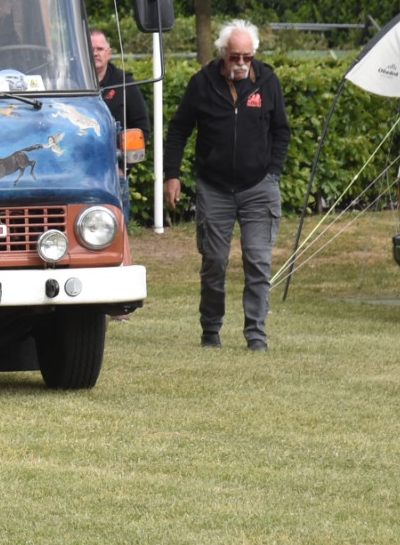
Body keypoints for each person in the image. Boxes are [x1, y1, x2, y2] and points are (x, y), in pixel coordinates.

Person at [164, 19, 291, 351]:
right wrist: (172, 175)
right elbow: (178, 130)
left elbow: (281, 130)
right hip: (214, 187)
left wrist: (273, 173)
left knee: (258, 261)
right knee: (214, 261)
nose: (241, 63)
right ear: (223, 53)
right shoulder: (201, 83)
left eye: (247, 57)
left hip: (258, 187)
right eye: (235, 56)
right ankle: (210, 330)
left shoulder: (268, 82)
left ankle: (256, 335)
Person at [89, 29, 147, 222]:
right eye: (91, 49)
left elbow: (141, 126)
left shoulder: (124, 83)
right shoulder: (67, 82)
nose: (95, 53)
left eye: (100, 49)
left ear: (109, 53)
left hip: (114, 173)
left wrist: (124, 167)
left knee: (118, 228)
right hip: (79, 171)